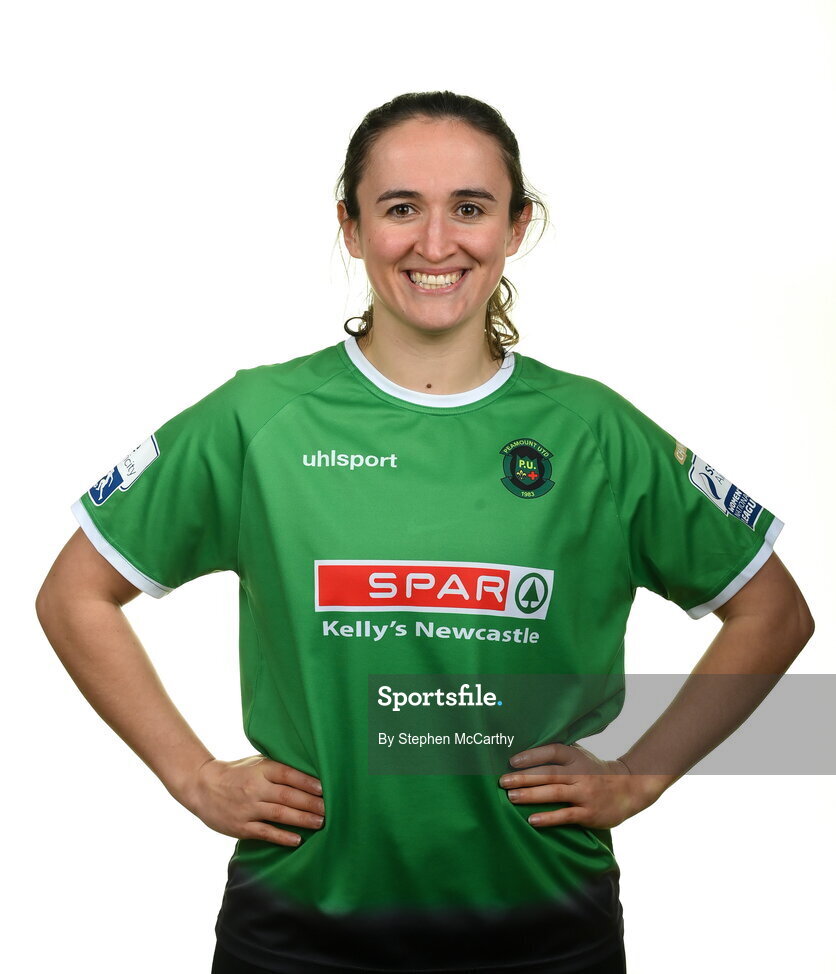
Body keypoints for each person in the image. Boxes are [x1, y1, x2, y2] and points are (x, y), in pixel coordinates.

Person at [36, 91, 814, 974]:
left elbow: (775, 614)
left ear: (517, 227)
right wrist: (191, 774)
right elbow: (74, 594)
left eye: (471, 208)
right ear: (352, 226)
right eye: (401, 208)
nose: (436, 243)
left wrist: (642, 775)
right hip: (299, 929)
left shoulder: (594, 431)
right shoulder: (260, 418)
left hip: (544, 931)